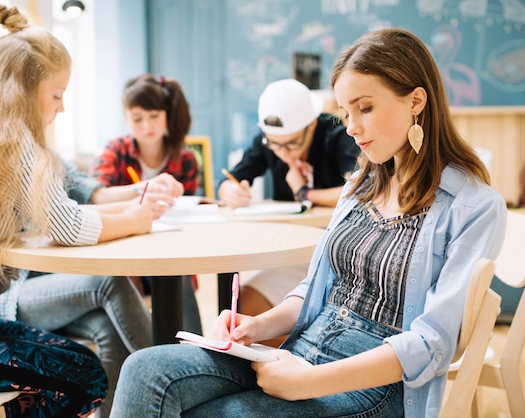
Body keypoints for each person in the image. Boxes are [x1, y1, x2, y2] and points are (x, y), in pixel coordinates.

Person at [109, 28, 507, 417]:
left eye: (364, 108)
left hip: (374, 387)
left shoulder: (474, 206)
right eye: (345, 112)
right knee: (142, 370)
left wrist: (307, 383)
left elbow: (433, 343)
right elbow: (316, 287)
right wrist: (258, 326)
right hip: (305, 348)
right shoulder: (361, 186)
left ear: (416, 101)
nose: (351, 127)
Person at [0, 5, 153, 417]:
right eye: (57, 95)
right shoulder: (16, 143)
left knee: (71, 360)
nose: (62, 108)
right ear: (25, 89)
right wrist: (135, 220)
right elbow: (68, 225)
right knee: (83, 375)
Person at [0, 156, 171, 416]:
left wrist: (134, 202)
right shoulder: (18, 153)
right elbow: (69, 221)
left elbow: (87, 191)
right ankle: (170, 373)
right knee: (109, 282)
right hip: (11, 293)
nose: (61, 111)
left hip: (53, 285)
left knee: (109, 326)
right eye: (56, 109)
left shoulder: (45, 152)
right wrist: (130, 215)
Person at [218, 78, 360, 343]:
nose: (282, 153)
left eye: (292, 144)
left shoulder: (337, 135)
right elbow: (230, 180)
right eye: (275, 144)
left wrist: (304, 193)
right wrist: (230, 190)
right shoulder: (269, 141)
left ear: (311, 125)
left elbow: (361, 187)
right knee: (242, 311)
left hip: (335, 253)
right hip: (288, 252)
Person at [94, 73, 202, 333]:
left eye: (154, 116)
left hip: (170, 249)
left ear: (167, 115)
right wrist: (136, 197)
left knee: (176, 274)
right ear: (126, 119)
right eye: (137, 119)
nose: (146, 126)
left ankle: (195, 354)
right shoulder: (116, 151)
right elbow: (95, 194)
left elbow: (189, 216)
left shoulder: (185, 159)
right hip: (123, 249)